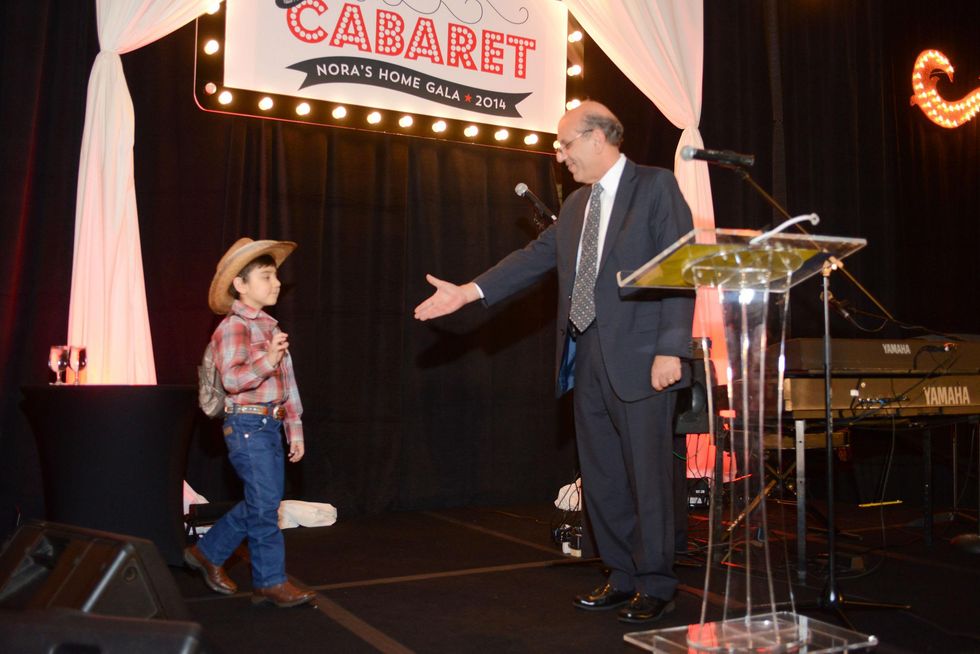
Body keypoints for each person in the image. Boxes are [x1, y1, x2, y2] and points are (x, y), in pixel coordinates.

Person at [414, 101, 694, 624]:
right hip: (584, 357)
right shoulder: (576, 207)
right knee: (602, 474)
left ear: (598, 138)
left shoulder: (655, 187)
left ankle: (656, 581)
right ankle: (620, 574)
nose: (560, 155)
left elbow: (681, 267)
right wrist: (470, 292)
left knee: (648, 475)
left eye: (566, 144)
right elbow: (533, 259)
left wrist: (671, 348)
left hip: (643, 357)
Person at [184, 237, 315, 608]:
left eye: (275, 276)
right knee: (264, 507)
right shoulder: (233, 328)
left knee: (263, 502)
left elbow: (286, 385)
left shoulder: (270, 328)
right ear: (240, 285)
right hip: (245, 425)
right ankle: (270, 581)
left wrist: (295, 428)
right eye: (266, 276)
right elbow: (233, 381)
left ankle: (207, 552)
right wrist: (267, 361)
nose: (276, 283)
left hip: (269, 426)